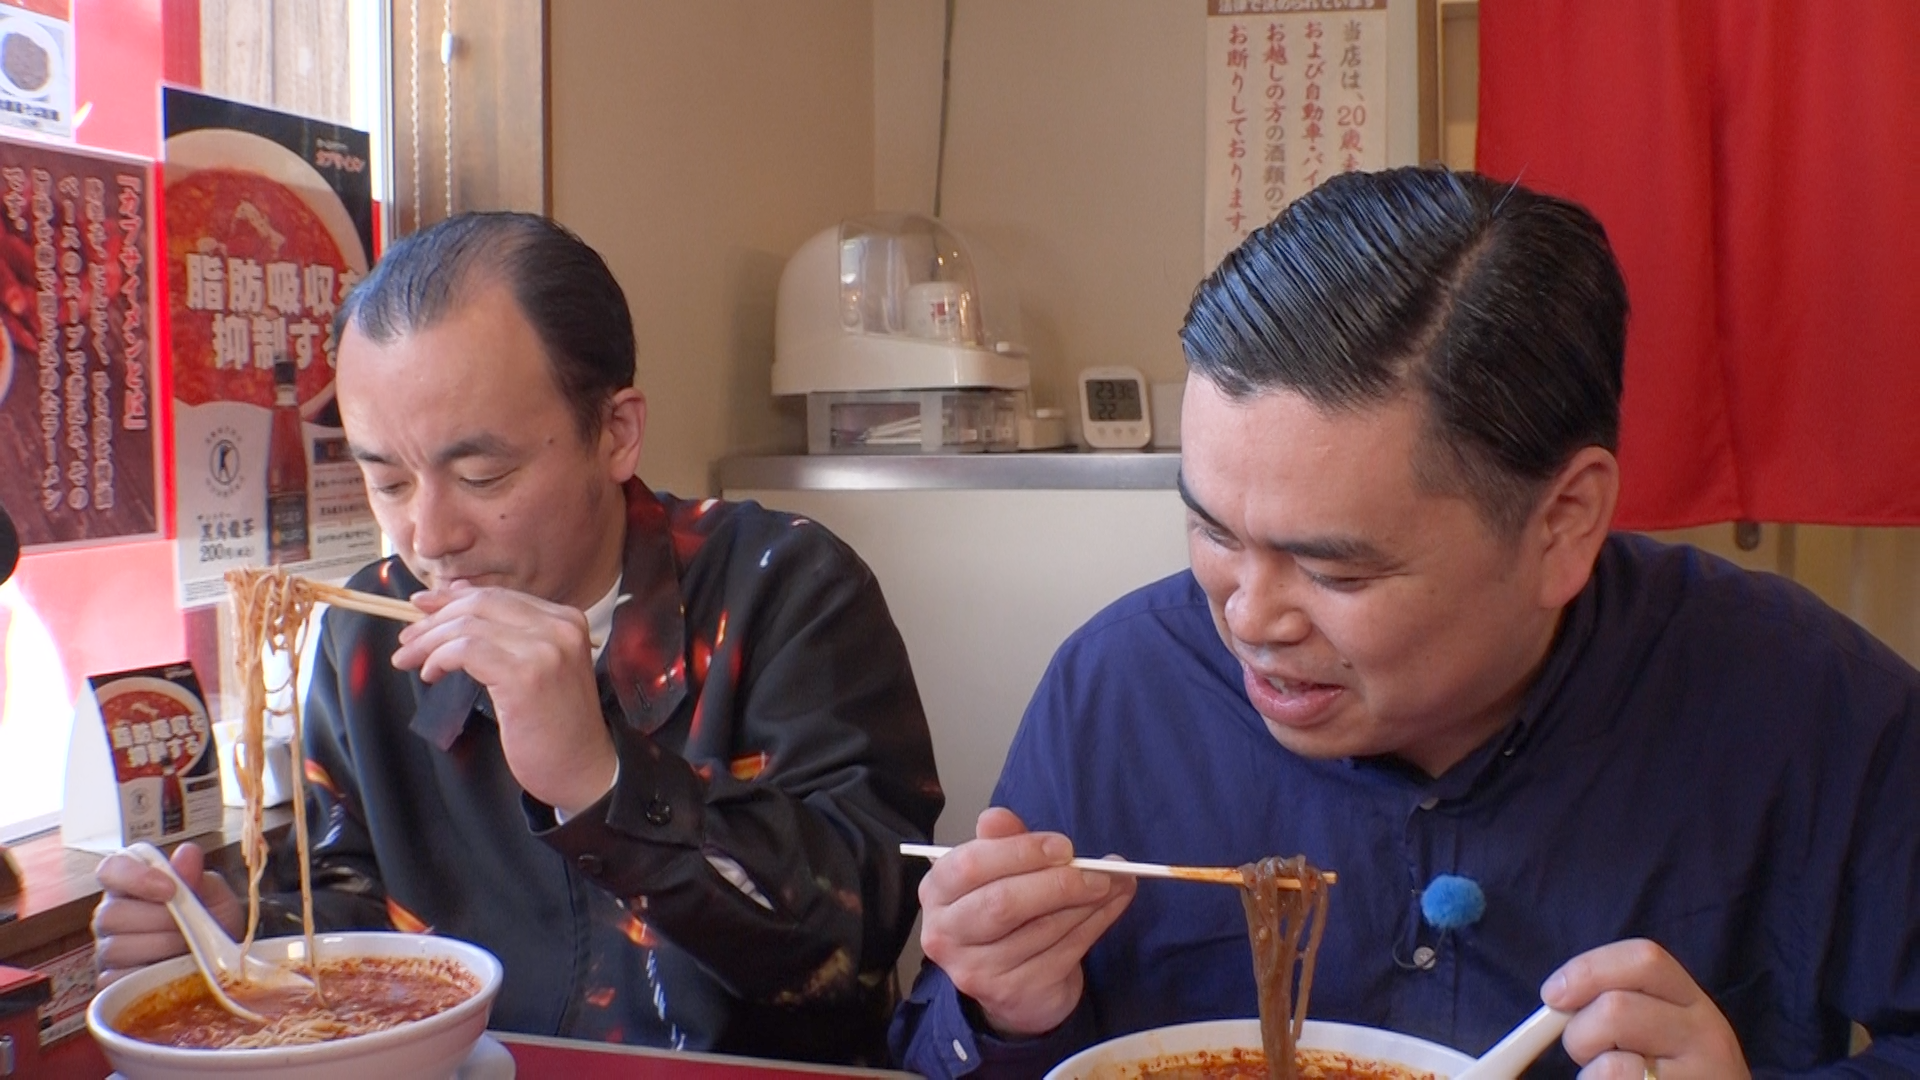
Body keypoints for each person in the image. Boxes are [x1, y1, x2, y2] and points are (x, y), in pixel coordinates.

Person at [891, 168, 1920, 1077]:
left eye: (1334, 567)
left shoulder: (1809, 705)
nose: (1249, 615)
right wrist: (1002, 1010)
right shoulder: (1121, 690)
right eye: (1211, 531)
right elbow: (946, 1047)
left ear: (1564, 523)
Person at [93, 212, 944, 1065]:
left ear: (615, 433)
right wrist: (232, 944)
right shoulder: (368, 634)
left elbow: (854, 943)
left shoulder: (783, 586)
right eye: (386, 479)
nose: (427, 535)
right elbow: (346, 914)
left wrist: (601, 778)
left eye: (481, 475)